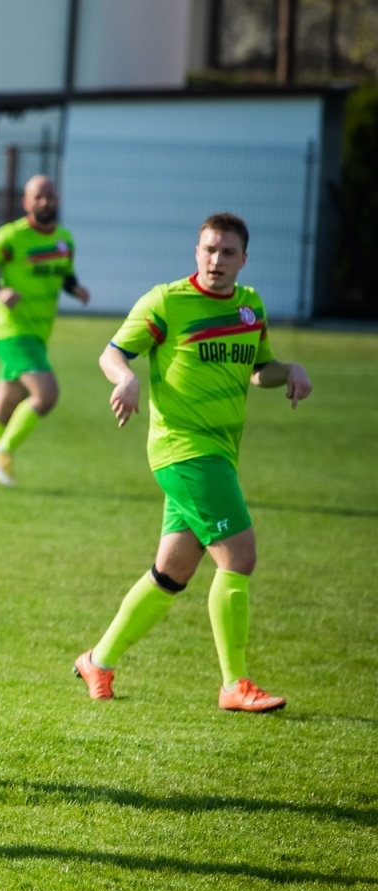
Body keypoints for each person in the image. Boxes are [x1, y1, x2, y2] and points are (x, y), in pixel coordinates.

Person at [74, 213, 312, 712]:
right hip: (183, 449)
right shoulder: (167, 301)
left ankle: (99, 659)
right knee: (239, 556)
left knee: (173, 572)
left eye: (227, 253)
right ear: (195, 252)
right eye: (208, 249)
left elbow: (258, 370)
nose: (216, 260)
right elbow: (113, 353)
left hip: (220, 453)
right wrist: (126, 379)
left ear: (244, 259)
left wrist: (291, 370)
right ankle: (234, 684)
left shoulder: (250, 309)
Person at [0, 174, 90, 488]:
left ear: (57, 200)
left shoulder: (64, 240)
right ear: (26, 203)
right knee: (47, 395)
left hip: (38, 334)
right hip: (12, 331)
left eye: (49, 196)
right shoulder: (11, 237)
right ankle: (3, 449)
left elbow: (64, 275)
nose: (44, 202)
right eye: (37, 197)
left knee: (5, 407)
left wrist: (75, 289)